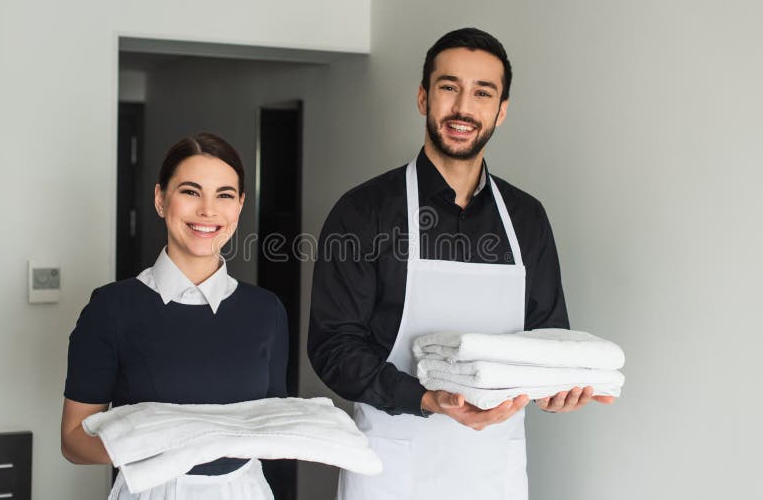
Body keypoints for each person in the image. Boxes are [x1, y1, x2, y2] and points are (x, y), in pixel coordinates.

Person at [308, 28, 614, 500]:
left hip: (494, 469)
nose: (463, 107)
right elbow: (333, 345)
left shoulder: (526, 218)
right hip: (391, 464)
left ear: (501, 110)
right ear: (423, 97)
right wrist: (427, 398)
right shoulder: (364, 211)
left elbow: (549, 338)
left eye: (482, 92)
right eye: (449, 87)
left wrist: (558, 389)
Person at [61, 133, 287, 499]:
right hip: (153, 490)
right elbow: (73, 441)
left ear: (240, 206)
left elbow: (273, 424)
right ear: (160, 199)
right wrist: (163, 446)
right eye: (190, 192)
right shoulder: (112, 308)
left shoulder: (266, 311)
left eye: (224, 195)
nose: (208, 211)